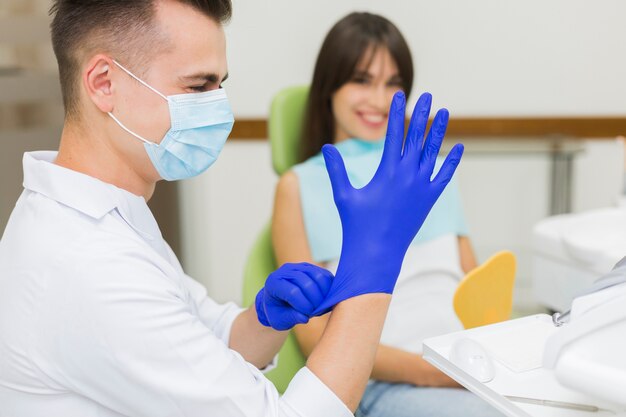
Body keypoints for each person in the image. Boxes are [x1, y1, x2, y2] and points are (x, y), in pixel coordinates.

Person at [0, 1, 463, 417]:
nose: (219, 109)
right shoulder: (88, 264)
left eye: (220, 85)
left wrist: (262, 319)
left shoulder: (109, 218)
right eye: (199, 86)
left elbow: (205, 339)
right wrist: (375, 264)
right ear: (104, 83)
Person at [272, 12, 501, 417]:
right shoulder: (299, 185)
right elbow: (315, 338)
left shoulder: (430, 172)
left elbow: (476, 289)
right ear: (330, 86)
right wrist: (438, 373)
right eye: (362, 80)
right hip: (381, 384)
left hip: (467, 371)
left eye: (393, 83)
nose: (379, 101)